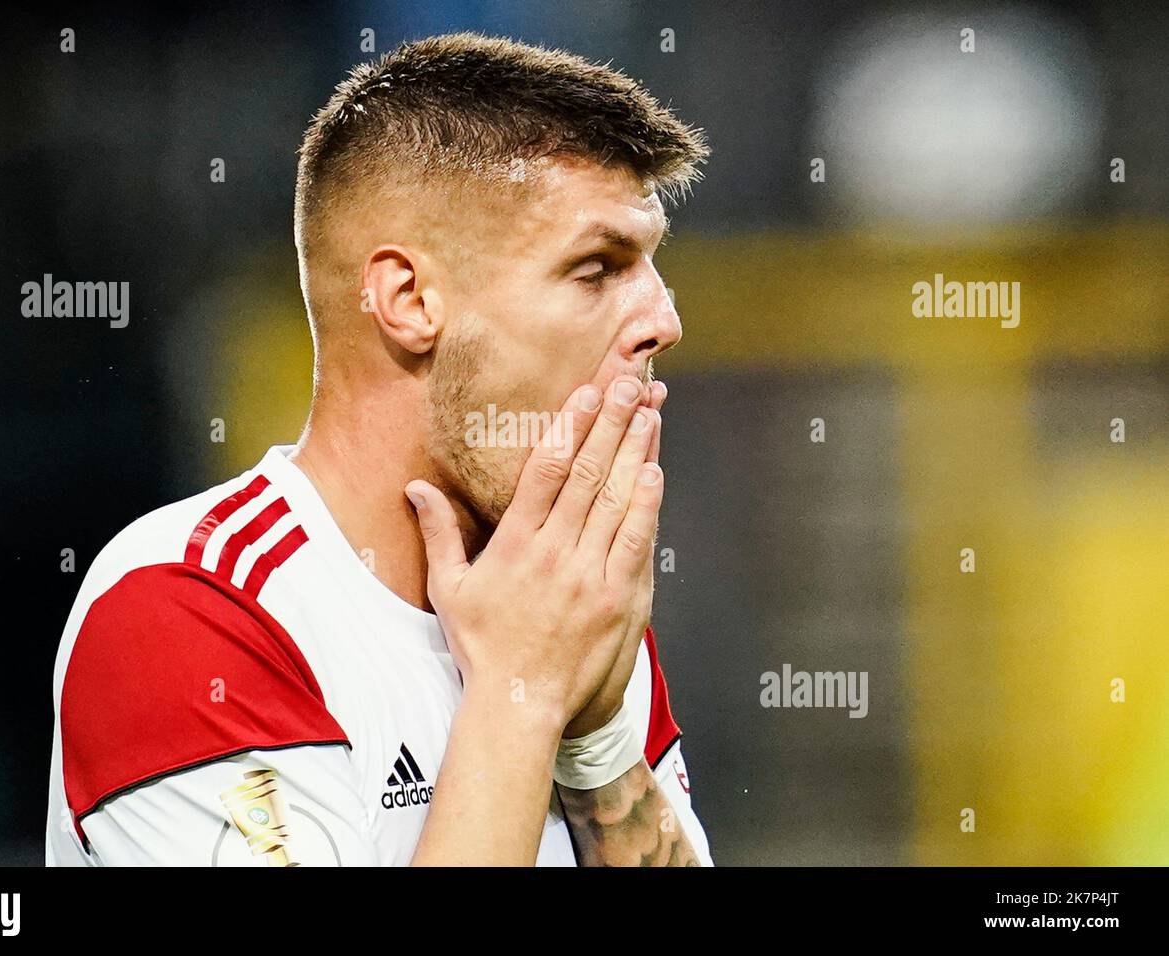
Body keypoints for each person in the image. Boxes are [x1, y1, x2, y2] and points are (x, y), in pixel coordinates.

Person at [46, 32, 712, 866]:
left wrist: (600, 751)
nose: (664, 320)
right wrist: (524, 697)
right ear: (408, 299)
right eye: (597, 268)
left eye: (651, 266)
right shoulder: (188, 610)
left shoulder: (564, 588)